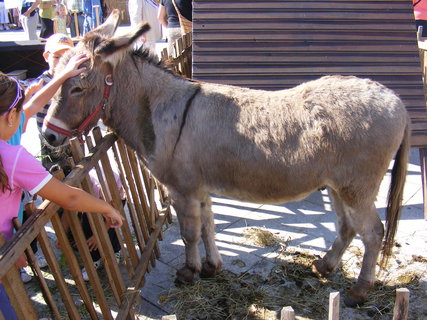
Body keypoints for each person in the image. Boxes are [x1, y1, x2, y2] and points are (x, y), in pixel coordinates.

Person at [0, 59, 124, 318]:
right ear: (12, 115)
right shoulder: (11, 158)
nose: (25, 114)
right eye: (20, 111)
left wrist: (62, 76)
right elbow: (68, 196)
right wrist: (107, 208)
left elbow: (31, 107)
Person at [36, 33, 74, 171]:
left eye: (66, 57)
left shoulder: (73, 81)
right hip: (51, 143)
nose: (61, 62)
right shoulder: (43, 82)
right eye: (57, 57)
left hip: (71, 142)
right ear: (46, 57)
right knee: (56, 176)